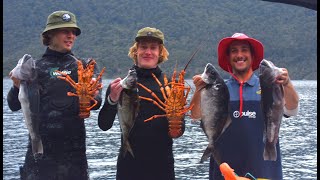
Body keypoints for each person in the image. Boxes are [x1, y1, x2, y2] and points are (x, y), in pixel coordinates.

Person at [7, 10, 102, 180]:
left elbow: (98, 102)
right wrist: (16, 86)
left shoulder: (85, 66)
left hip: (75, 157)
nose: (70, 36)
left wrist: (93, 97)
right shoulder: (33, 67)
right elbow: (14, 105)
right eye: (65, 31)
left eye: (73, 32)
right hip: (40, 156)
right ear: (50, 34)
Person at [190, 33, 299, 179]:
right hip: (224, 172)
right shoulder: (218, 89)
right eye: (234, 51)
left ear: (252, 56)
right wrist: (199, 90)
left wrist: (287, 83)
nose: (239, 55)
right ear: (228, 57)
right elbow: (195, 115)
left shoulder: (269, 86)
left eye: (244, 50)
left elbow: (292, 110)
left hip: (265, 172)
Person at [98, 27, 175, 180]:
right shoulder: (120, 86)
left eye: (153, 48)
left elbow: (179, 131)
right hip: (128, 167)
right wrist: (112, 99)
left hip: (162, 168)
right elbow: (104, 125)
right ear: (136, 51)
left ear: (160, 52)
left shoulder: (170, 86)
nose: (148, 52)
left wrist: (177, 120)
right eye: (143, 47)